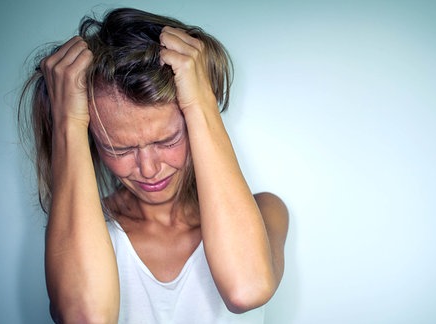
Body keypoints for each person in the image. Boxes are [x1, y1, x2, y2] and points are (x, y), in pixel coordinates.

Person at [18, 7, 289, 324]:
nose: (148, 169)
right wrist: (68, 123)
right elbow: (86, 318)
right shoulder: (80, 232)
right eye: (118, 148)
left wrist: (201, 100)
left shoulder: (266, 211)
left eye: (167, 140)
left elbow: (246, 290)